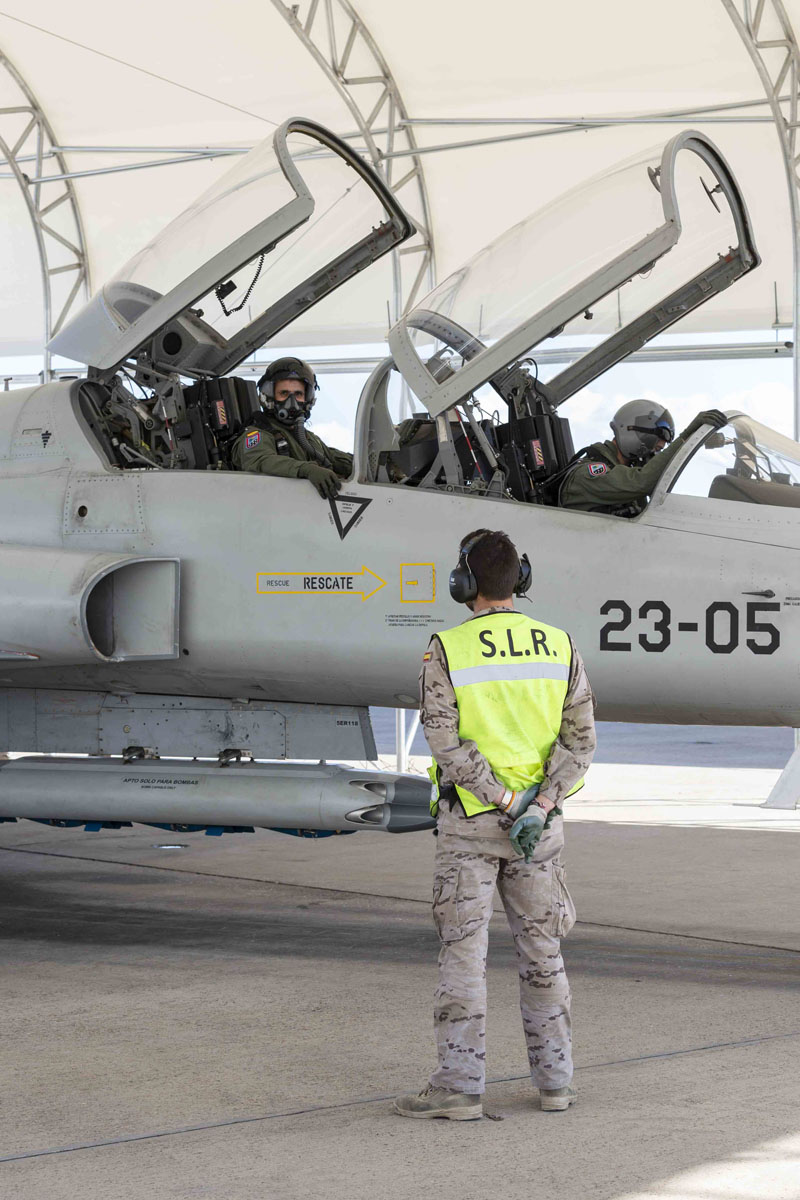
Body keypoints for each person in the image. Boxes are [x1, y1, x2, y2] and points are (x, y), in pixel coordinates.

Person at [394, 528, 596, 1122]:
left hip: (472, 828)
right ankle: (556, 1084)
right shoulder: (559, 644)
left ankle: (459, 1086)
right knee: (543, 955)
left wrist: (502, 799)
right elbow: (581, 743)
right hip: (539, 831)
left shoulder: (448, 648)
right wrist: (538, 804)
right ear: (520, 579)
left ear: (464, 583)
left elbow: (444, 744)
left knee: (464, 955)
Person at [558, 399, 728, 516]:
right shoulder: (587, 475)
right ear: (633, 430)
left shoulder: (625, 479)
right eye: (660, 435)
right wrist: (685, 438)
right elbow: (641, 482)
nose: (662, 446)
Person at [231, 357, 353, 498]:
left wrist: (367, 462)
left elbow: (334, 458)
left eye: (298, 394)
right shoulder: (257, 434)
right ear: (269, 396)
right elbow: (260, 460)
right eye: (284, 393)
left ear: (308, 398)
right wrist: (305, 469)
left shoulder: (308, 438)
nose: (292, 402)